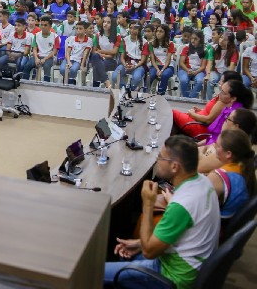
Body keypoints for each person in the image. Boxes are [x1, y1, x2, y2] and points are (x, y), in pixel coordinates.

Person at [104, 136, 220, 289]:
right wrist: (140, 243)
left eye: (160, 157)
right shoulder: (204, 182)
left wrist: (148, 204)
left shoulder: (182, 204)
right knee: (124, 256)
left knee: (95, 271)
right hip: (189, 264)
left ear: (174, 166)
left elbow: (149, 252)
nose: (157, 160)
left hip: (174, 278)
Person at [207, 130, 255, 225]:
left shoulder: (217, 177)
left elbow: (197, 207)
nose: (215, 146)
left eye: (218, 145)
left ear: (228, 154)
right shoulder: (245, 170)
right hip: (227, 223)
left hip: (213, 227)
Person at [198, 108, 257, 174]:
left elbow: (198, 167)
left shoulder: (228, 149)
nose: (224, 121)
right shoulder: (244, 145)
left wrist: (198, 151)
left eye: (227, 119)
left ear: (236, 127)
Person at [22, 15, 59, 82]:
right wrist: (36, 58)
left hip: (50, 57)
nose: (43, 27)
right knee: (28, 65)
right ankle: (24, 82)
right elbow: (34, 49)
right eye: (41, 25)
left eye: (45, 25)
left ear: (50, 26)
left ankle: (46, 83)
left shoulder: (55, 37)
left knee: (46, 66)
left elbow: (55, 52)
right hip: (38, 56)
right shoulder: (36, 35)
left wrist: (45, 59)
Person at [90, 15, 121, 88]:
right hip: (100, 59)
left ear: (112, 24)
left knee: (97, 66)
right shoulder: (97, 35)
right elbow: (94, 52)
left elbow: (114, 52)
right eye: (104, 22)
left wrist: (100, 52)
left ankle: (96, 87)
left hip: (111, 61)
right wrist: (106, 54)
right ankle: (106, 81)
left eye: (108, 22)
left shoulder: (117, 36)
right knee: (96, 57)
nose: (105, 24)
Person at [177, 30, 210, 98]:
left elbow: (203, 66)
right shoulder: (186, 48)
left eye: (195, 39)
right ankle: (186, 98)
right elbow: (181, 63)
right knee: (184, 80)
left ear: (200, 39)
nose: (193, 41)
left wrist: (195, 72)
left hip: (198, 71)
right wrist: (188, 70)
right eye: (192, 38)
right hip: (185, 69)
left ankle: (190, 99)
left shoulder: (205, 50)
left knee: (200, 81)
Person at [113, 23, 146, 90]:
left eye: (135, 28)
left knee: (136, 78)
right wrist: (125, 64)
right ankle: (124, 89)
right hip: (126, 63)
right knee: (115, 76)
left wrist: (135, 66)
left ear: (139, 30)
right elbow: (122, 57)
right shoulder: (125, 40)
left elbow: (143, 60)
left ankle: (131, 90)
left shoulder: (145, 42)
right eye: (130, 28)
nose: (132, 30)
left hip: (139, 65)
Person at [205, 31, 238, 99]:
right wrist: (208, 75)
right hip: (216, 71)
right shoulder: (213, 48)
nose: (221, 40)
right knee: (210, 80)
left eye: (225, 40)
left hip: (227, 73)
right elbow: (209, 63)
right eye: (221, 37)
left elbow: (231, 67)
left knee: (225, 85)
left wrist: (224, 78)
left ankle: (222, 100)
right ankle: (209, 101)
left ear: (230, 42)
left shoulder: (233, 51)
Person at [146, 24, 175, 95]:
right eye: (157, 31)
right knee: (151, 75)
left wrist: (162, 70)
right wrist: (157, 69)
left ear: (165, 33)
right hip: (155, 66)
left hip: (168, 66)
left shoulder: (170, 44)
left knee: (164, 75)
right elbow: (152, 59)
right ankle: (145, 93)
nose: (158, 33)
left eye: (161, 31)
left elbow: (168, 60)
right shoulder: (151, 44)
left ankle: (160, 94)